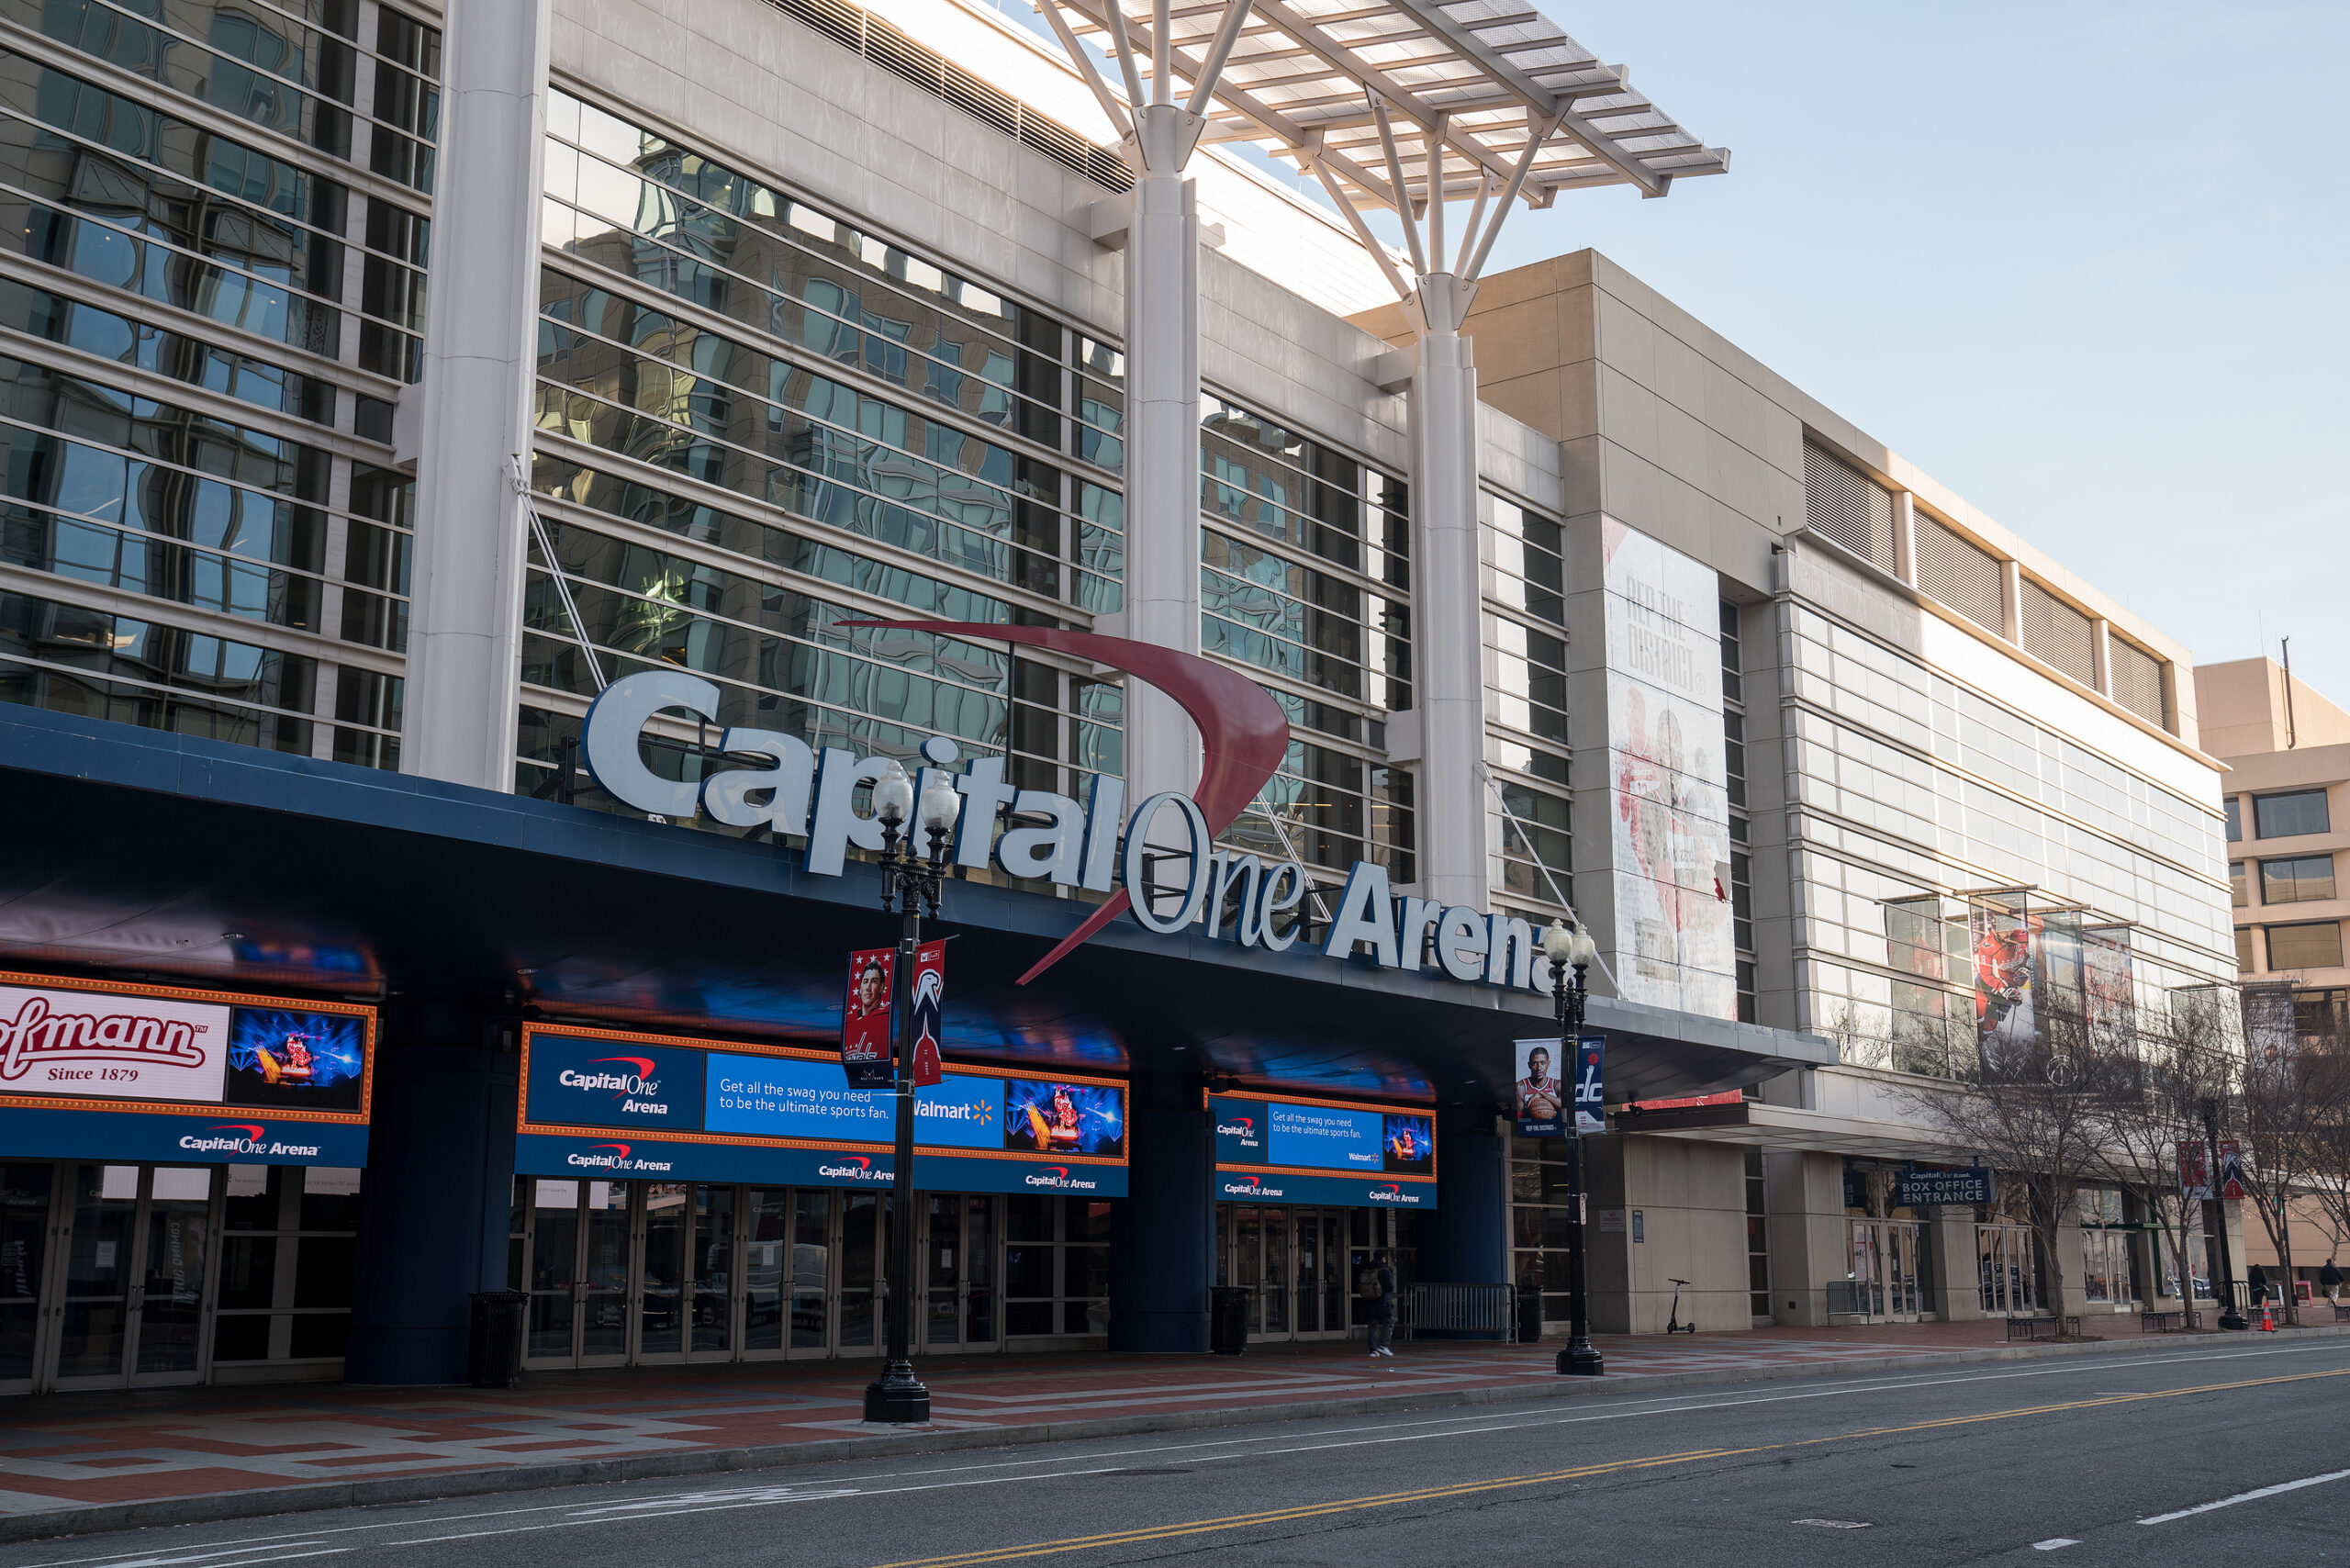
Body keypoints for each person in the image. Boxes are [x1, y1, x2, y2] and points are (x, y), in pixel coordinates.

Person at [1360, 1249, 1397, 1359]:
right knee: (1389, 1322)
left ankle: (1373, 1350)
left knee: (1372, 1327)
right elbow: (1390, 1287)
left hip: (1370, 1301)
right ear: (1383, 1258)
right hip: (1383, 1302)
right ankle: (1384, 1345)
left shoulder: (1368, 1269)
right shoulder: (1384, 1270)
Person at [1516, 1047, 1561, 1125]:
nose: (1539, 1068)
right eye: (1535, 1063)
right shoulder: (1521, 1086)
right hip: (1532, 1129)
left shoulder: (1557, 1084)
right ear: (1529, 1065)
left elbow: (1562, 1104)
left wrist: (1541, 1093)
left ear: (1548, 1063)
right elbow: (1520, 1117)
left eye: (1543, 1063)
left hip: (1553, 1128)